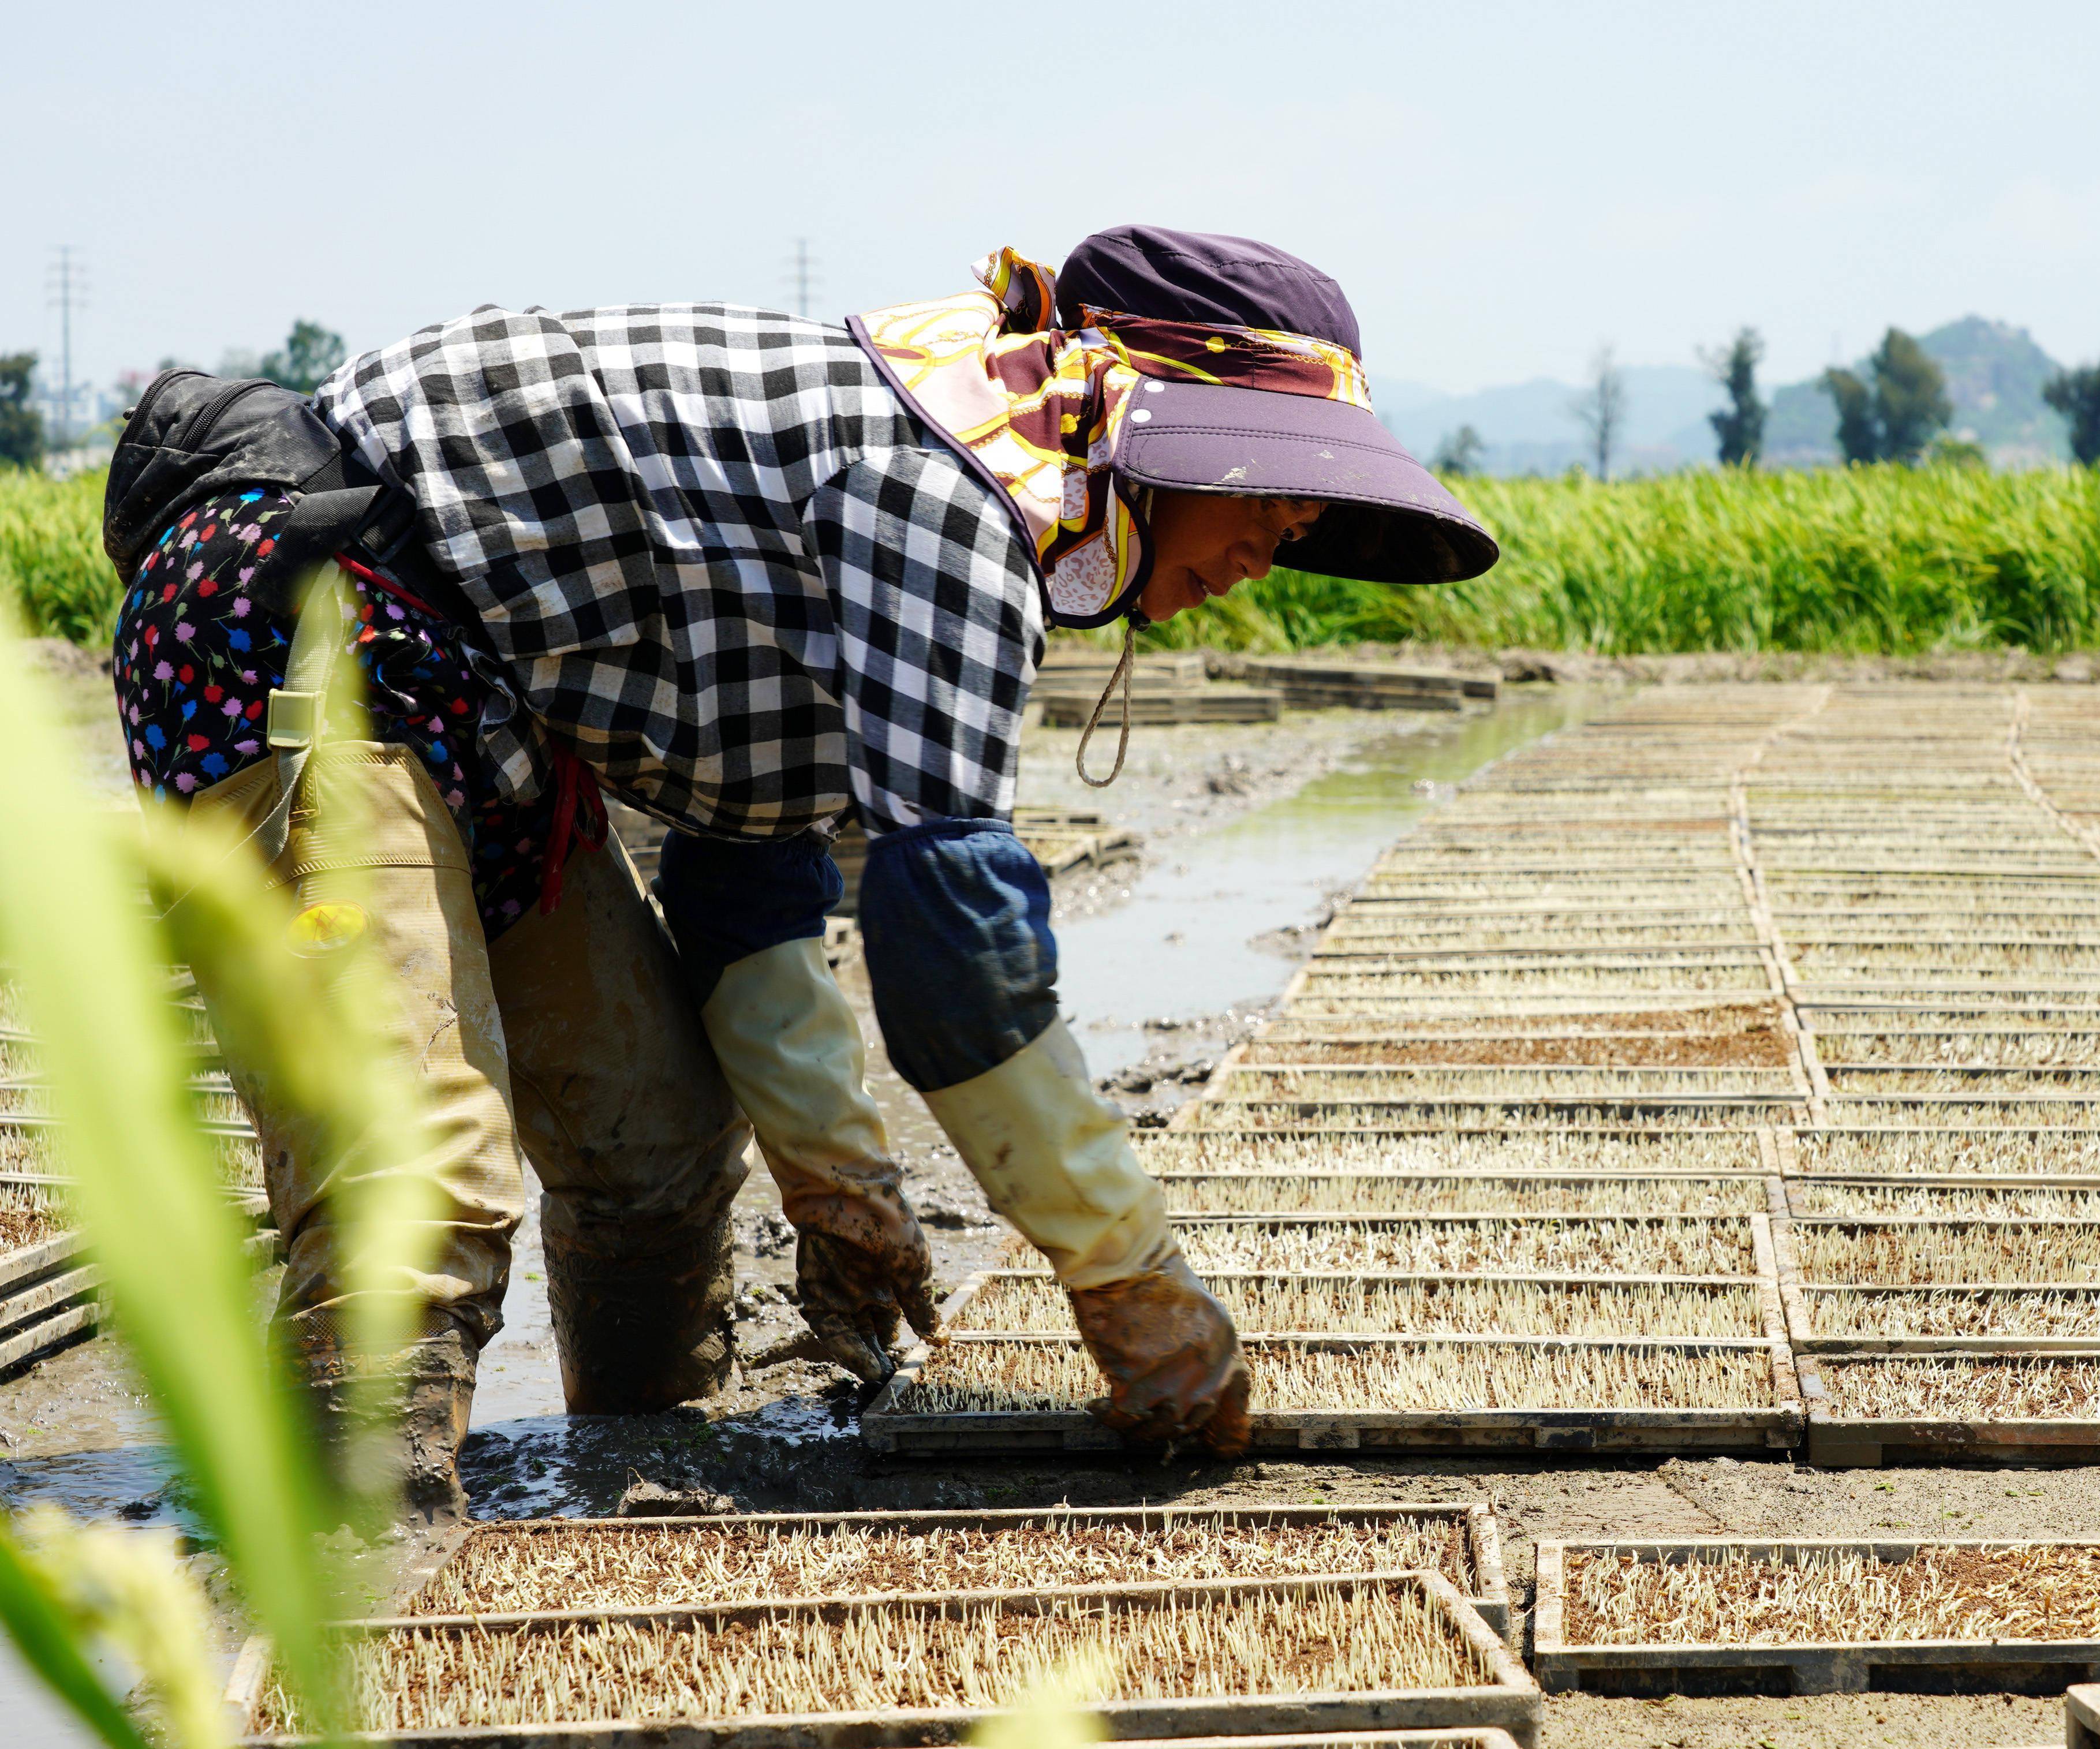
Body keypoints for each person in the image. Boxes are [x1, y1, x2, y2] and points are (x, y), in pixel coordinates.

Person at [102, 226, 1495, 1519]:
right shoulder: (949, 489)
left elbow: (746, 878)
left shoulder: (961, 486)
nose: (1265, 550)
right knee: (414, 1166)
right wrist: (1126, 1275)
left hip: (486, 711)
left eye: (1295, 526)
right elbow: (958, 951)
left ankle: (630, 1480)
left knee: (647, 1141)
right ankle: (348, 1576)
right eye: (1260, 499)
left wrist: (837, 1187)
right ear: (1146, 434)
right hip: (294, 628)